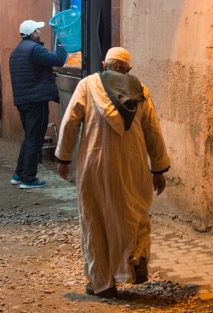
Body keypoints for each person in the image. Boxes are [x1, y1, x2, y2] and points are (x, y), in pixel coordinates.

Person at [56, 46, 171, 298]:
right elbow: (153, 130)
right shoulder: (140, 90)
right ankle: (133, 263)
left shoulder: (87, 85)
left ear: (103, 63)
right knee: (132, 213)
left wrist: (63, 157)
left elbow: (70, 121)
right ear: (128, 69)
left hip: (93, 164)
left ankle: (102, 282)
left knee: (94, 219)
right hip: (132, 165)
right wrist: (158, 169)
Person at [8, 19, 66, 189]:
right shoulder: (35, 49)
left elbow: (32, 71)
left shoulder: (17, 50)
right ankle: (28, 178)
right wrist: (62, 42)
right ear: (33, 33)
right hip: (35, 100)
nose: (40, 32)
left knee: (29, 137)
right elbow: (58, 59)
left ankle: (19, 173)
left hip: (23, 100)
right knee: (35, 138)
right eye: (38, 30)